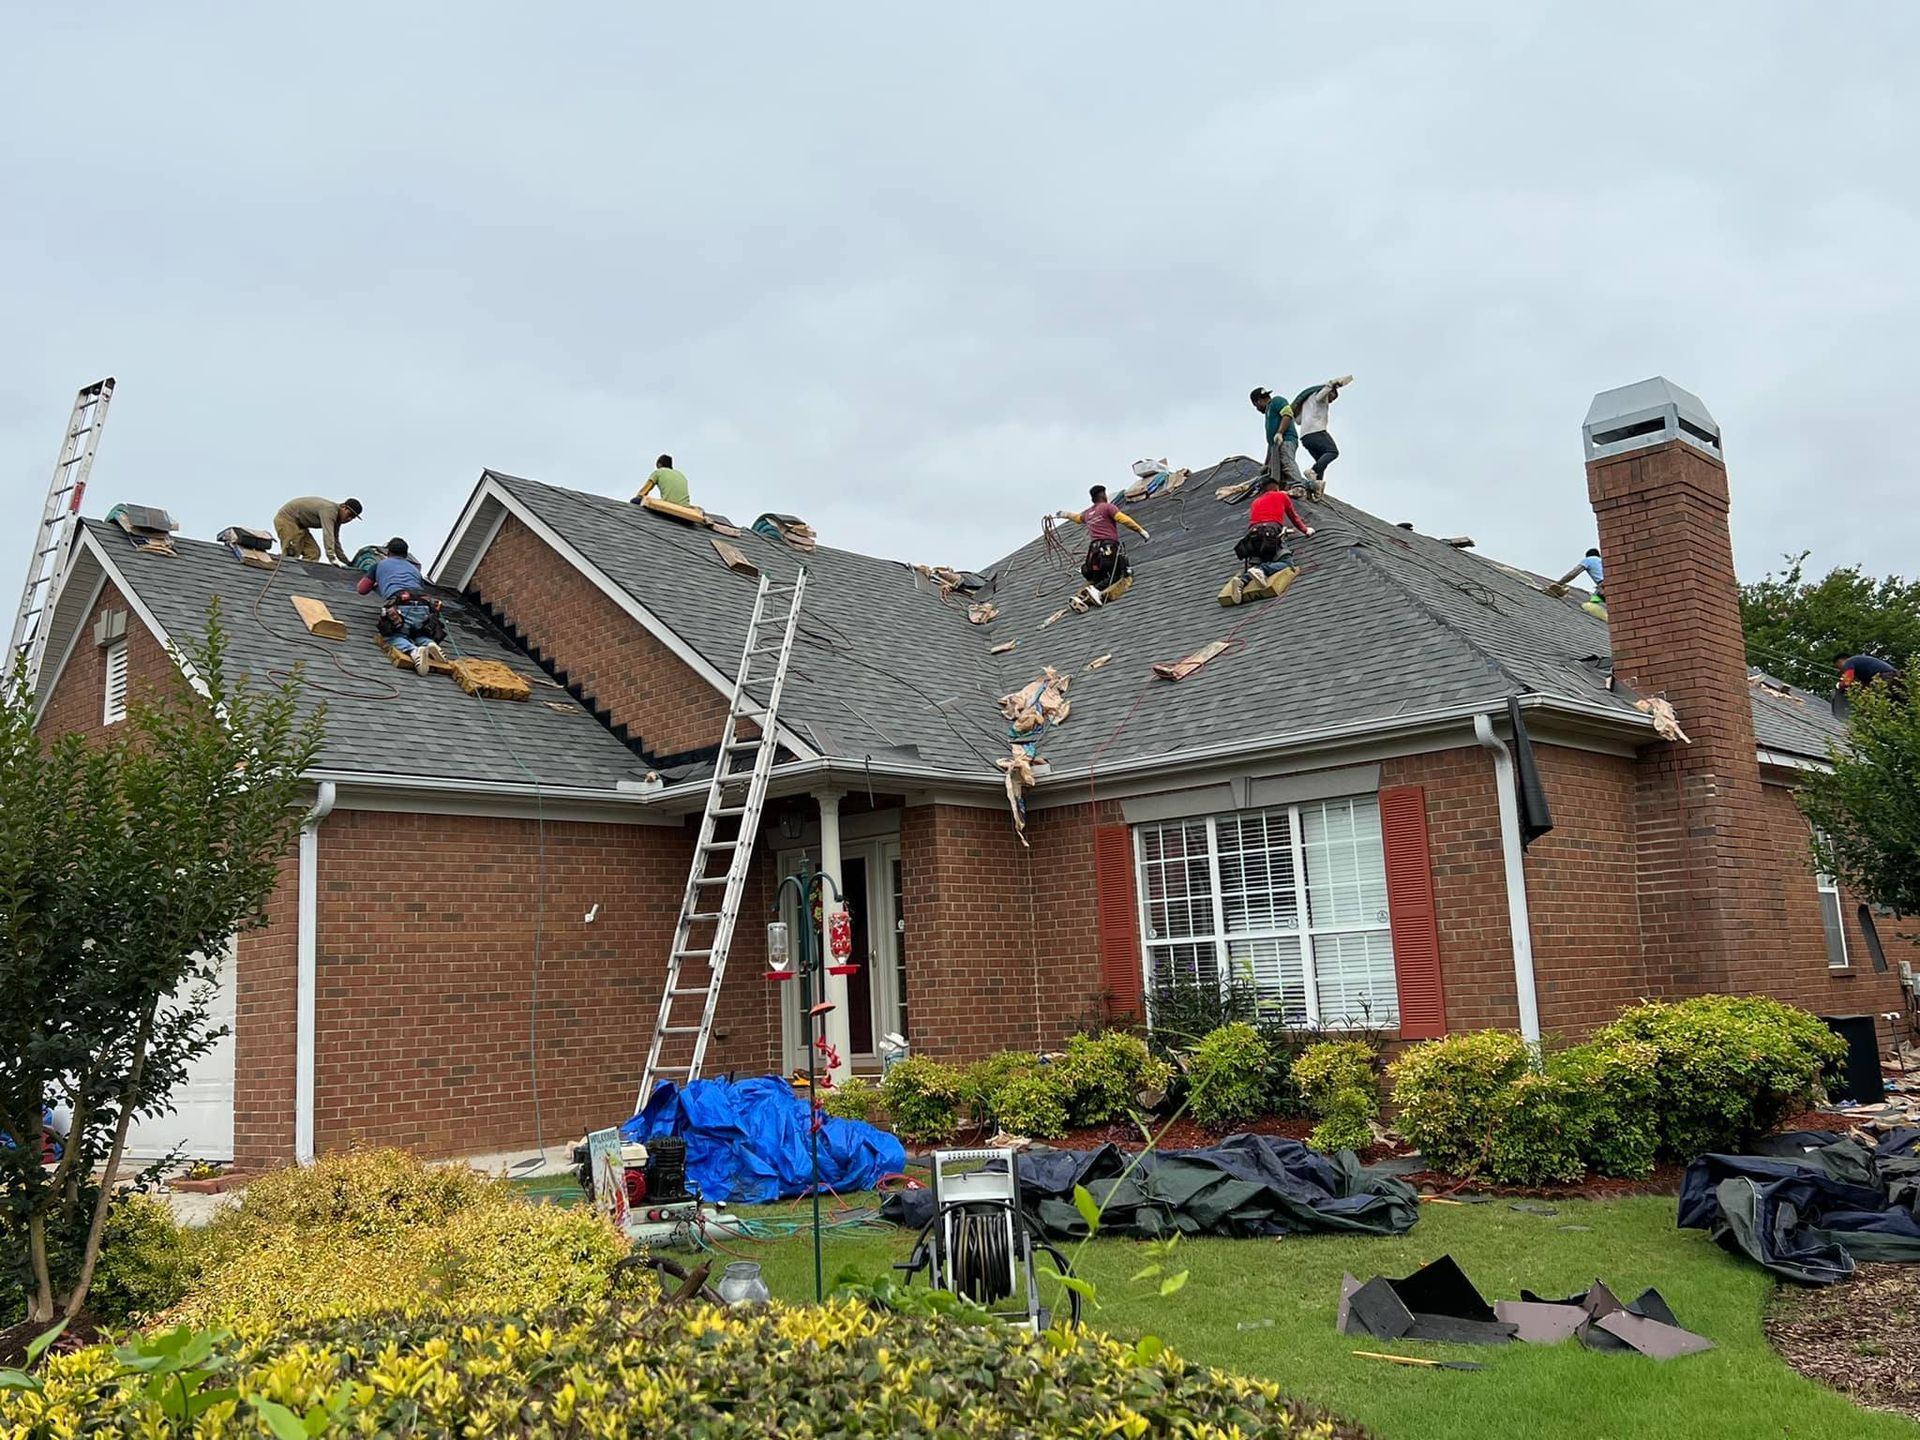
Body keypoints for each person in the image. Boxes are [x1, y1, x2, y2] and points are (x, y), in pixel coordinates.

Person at [1056, 485, 1149, 591]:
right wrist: (1140, 531)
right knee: (1116, 575)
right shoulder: (1107, 507)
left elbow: (1077, 518)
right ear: (1103, 495)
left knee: (1099, 575)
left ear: (1092, 498)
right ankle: (1095, 591)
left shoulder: (1088, 513)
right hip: (1108, 547)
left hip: (1094, 552)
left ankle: (1091, 590)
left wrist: (1065, 514)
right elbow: (1123, 519)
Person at [1290, 376, 1351, 494]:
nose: (1332, 401)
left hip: (1305, 437)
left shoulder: (1307, 403)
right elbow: (1322, 394)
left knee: (1321, 461)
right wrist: (1334, 384)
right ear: (1330, 392)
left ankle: (1316, 488)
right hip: (1316, 432)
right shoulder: (1319, 396)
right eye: (1333, 397)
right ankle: (1313, 471)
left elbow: (1298, 421)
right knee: (1332, 452)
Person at [378, 589, 449, 676]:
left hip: (402, 604)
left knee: (396, 635)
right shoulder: (417, 574)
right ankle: (429, 644)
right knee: (419, 632)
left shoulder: (381, 575)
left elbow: (362, 589)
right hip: (424, 605)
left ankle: (414, 652)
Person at [1249, 388, 1307, 492]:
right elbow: (1271, 443)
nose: (1257, 409)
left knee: (1286, 461)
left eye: (1256, 406)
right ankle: (1305, 485)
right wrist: (1266, 463)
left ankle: (1298, 486)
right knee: (1279, 471)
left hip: (1286, 440)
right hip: (1276, 445)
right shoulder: (1269, 412)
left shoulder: (1276, 401)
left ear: (1258, 401)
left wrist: (1280, 432)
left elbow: (1287, 413)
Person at [273, 496, 362, 564]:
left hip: (300, 526)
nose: (349, 519)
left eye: (352, 518)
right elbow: (328, 535)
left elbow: (335, 542)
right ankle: (288, 574)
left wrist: (347, 562)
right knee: (292, 551)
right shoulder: (330, 510)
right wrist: (332, 558)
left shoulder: (337, 520)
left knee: (313, 553)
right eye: (349, 514)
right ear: (343, 507)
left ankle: (300, 578)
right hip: (287, 519)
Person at [1835, 653, 1901, 691]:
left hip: (1885, 676)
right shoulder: (1861, 668)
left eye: (1837, 666)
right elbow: (1864, 686)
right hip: (1895, 676)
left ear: (1841, 661)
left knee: (1875, 700)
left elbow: (1847, 681)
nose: (1839, 670)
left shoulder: (1849, 662)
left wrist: (1840, 685)